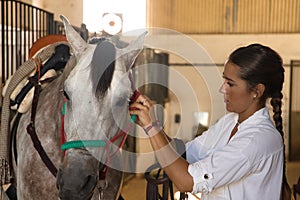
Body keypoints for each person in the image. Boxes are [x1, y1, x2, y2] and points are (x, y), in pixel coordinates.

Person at [129, 43, 292, 200]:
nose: (222, 89)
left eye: (230, 83)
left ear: (257, 91)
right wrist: (151, 123)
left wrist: (152, 128)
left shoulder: (257, 140)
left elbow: (187, 181)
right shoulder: (230, 122)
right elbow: (182, 154)